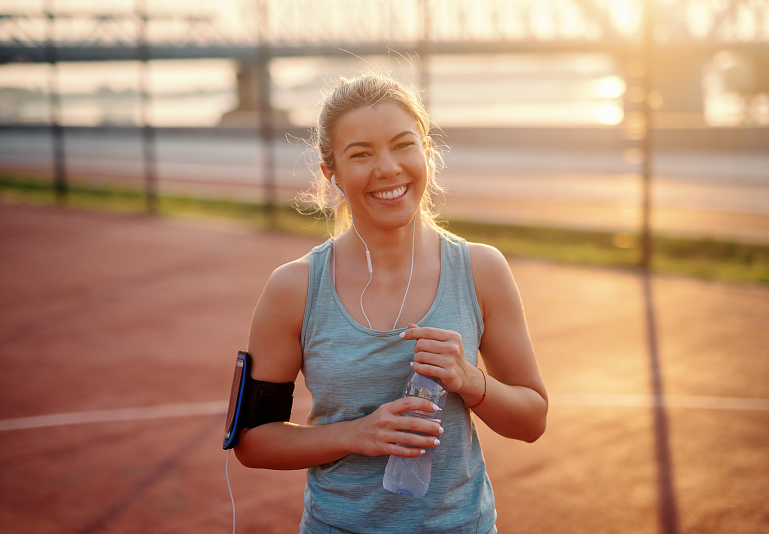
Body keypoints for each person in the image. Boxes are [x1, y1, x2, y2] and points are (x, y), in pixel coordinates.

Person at [234, 72, 547, 534]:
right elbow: (252, 442)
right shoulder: (295, 288)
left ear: (426, 151)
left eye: (403, 145)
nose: (387, 168)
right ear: (331, 173)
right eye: (361, 154)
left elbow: (532, 419)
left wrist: (469, 379)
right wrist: (357, 435)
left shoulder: (481, 270)